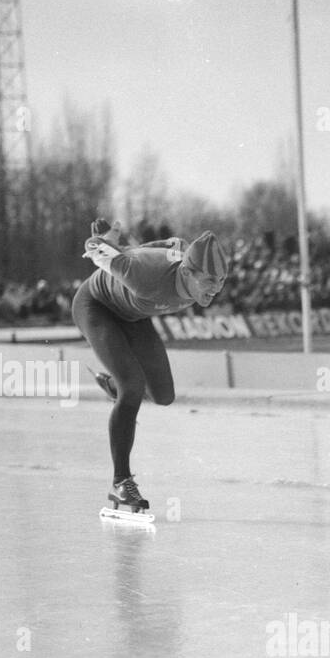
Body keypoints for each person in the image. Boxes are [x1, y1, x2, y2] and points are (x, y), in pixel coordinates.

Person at [73, 218, 229, 515]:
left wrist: (122, 246)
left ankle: (117, 385)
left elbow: (168, 244)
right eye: (210, 281)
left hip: (133, 314)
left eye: (221, 281)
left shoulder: (183, 257)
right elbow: (94, 249)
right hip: (96, 308)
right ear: (188, 271)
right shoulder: (145, 275)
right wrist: (104, 240)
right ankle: (121, 482)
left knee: (164, 396)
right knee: (133, 388)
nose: (215, 290)